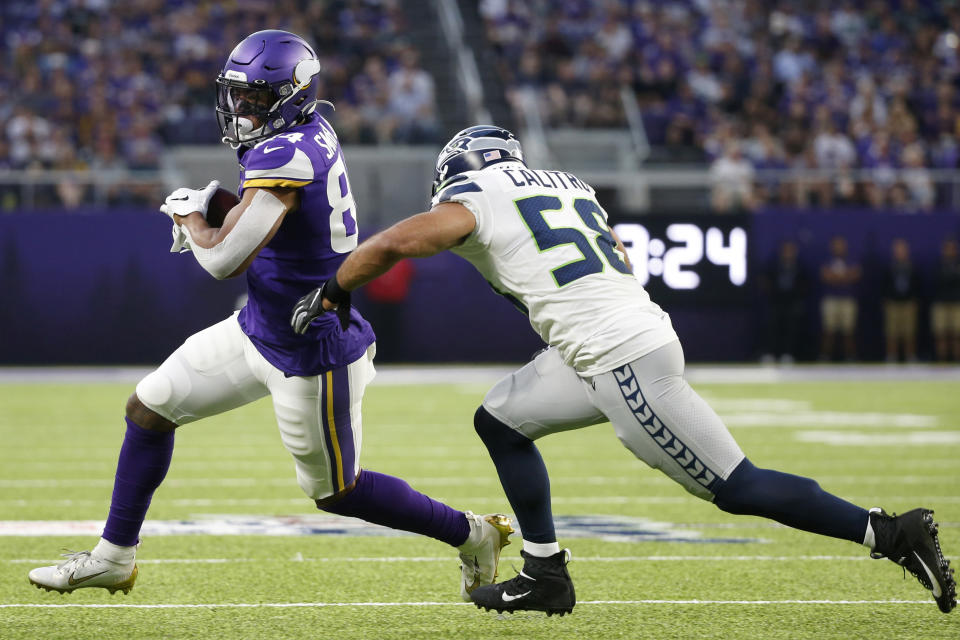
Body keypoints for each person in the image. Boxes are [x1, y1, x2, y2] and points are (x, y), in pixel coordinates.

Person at [290, 125, 956, 616]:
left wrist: (334, 289)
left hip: (618, 358)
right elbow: (617, 262)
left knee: (737, 486)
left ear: (460, 168)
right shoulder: (572, 186)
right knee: (499, 419)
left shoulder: (477, 193)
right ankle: (545, 572)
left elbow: (400, 241)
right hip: (606, 344)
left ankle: (891, 532)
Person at [27, 31, 513, 602]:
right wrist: (216, 208)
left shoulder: (287, 153)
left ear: (291, 97)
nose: (242, 109)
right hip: (261, 327)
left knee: (337, 492)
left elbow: (225, 259)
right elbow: (268, 227)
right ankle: (113, 556)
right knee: (149, 408)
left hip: (311, 349)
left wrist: (190, 217)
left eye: (256, 99)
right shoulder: (304, 131)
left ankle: (473, 533)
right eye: (238, 96)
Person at [760, 239, 808, 364]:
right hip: (776, 301)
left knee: (791, 329)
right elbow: (766, 281)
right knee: (772, 328)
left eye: (791, 250)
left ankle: (788, 354)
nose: (788, 253)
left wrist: (797, 296)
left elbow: (805, 284)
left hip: (793, 302)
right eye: (786, 250)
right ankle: (770, 353)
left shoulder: (800, 267)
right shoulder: (774, 266)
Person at [818, 235, 861, 361]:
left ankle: (850, 356)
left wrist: (836, 277)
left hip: (847, 299)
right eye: (836, 245)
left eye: (841, 245)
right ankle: (825, 356)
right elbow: (826, 276)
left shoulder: (851, 260)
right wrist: (845, 276)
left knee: (849, 330)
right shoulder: (827, 260)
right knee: (828, 329)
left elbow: (855, 275)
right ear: (832, 247)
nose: (839, 248)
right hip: (831, 299)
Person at [882, 238, 921, 362]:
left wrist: (915, 300)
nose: (900, 252)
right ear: (894, 252)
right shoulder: (889, 268)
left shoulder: (912, 267)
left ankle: (910, 356)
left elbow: (917, 285)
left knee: (909, 332)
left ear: (907, 251)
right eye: (898, 250)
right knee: (892, 332)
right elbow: (884, 285)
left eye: (902, 250)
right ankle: (891, 356)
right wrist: (886, 300)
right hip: (893, 303)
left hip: (908, 303)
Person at [931, 237, 960, 362]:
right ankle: (942, 360)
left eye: (952, 249)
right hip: (941, 304)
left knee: (957, 334)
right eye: (947, 249)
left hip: (957, 303)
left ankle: (956, 360)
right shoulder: (939, 265)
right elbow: (936, 281)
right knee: (940, 334)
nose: (949, 251)